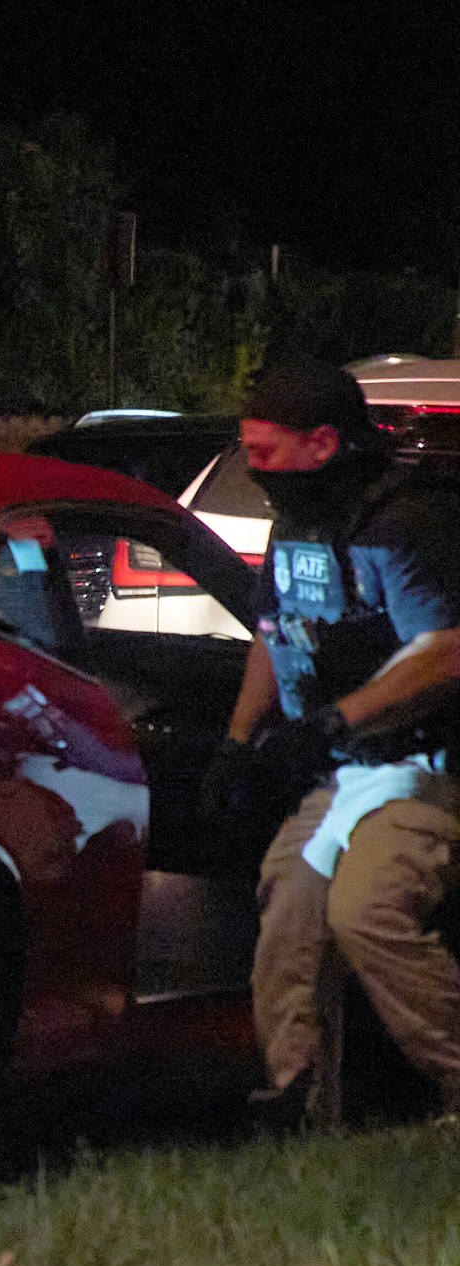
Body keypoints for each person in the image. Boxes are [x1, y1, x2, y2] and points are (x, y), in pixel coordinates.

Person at [208, 362, 460, 1126]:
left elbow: (444, 651)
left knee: (367, 910)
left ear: (322, 444)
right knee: (289, 917)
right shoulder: (299, 525)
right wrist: (238, 740)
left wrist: (334, 722)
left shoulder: (404, 525)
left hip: (423, 770)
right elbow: (276, 633)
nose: (253, 470)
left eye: (265, 452)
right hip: (345, 770)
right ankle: (300, 1108)